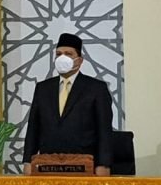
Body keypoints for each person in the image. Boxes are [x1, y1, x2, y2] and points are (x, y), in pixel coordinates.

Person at [22, 32, 114, 175]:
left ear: (80, 60)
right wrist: (27, 160)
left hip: (84, 164)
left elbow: (104, 130)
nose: (62, 58)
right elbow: (33, 127)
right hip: (47, 164)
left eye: (68, 54)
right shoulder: (43, 88)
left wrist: (104, 165)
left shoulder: (96, 88)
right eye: (58, 54)